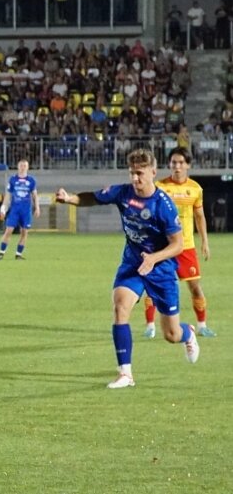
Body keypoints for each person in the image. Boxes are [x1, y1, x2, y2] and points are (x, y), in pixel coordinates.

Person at [55, 149, 200, 388]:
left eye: (140, 174)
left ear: (153, 172)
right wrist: (70, 198)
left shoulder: (164, 206)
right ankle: (126, 373)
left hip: (160, 270)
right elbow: (92, 197)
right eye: (132, 173)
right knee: (120, 306)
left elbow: (178, 245)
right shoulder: (123, 193)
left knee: (171, 335)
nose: (135, 179)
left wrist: (154, 258)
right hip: (133, 264)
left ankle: (188, 333)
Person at [143, 147, 215, 338]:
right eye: (174, 162)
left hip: (186, 247)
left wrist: (204, 242)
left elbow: (199, 216)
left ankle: (202, 325)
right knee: (153, 287)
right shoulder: (159, 187)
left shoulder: (195, 189)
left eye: (181, 163)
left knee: (195, 287)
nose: (177, 166)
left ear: (188, 165)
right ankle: (150, 327)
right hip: (163, 247)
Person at [0, 159, 40, 260]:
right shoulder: (12, 180)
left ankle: (18, 254)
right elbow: (8, 196)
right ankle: (1, 252)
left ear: (28, 167)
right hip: (15, 210)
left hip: (26, 211)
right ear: (18, 166)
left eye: (25, 165)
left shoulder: (31, 180)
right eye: (21, 165)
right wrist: (3, 208)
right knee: (8, 230)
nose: (23, 167)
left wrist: (37, 207)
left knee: (24, 232)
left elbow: (35, 195)